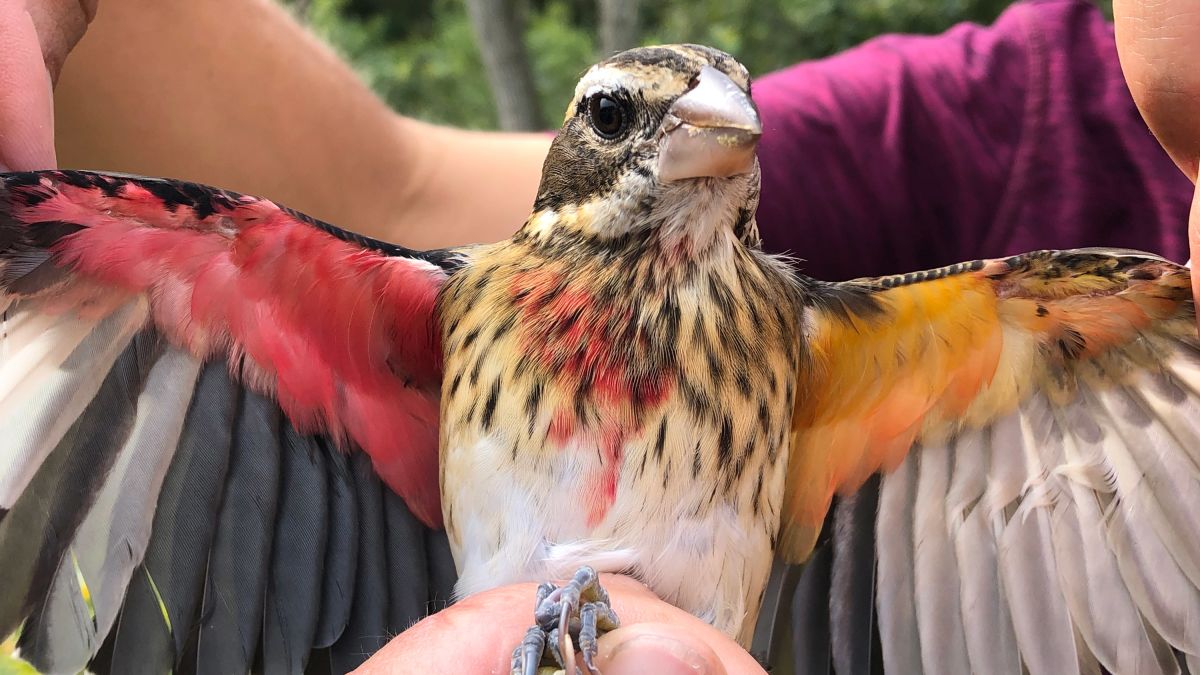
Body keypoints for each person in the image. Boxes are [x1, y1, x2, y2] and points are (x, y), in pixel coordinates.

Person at [2, 0, 1198, 672]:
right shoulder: (431, 313)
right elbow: (394, 185)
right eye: (625, 117)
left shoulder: (853, 345)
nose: (708, 127)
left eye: (724, 115)